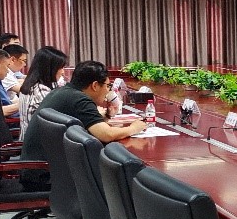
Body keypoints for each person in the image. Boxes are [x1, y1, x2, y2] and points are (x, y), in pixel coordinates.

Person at [20, 60, 146, 190]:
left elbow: (87, 123)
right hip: (47, 177)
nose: (107, 91)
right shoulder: (80, 99)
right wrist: (133, 128)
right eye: (107, 86)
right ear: (95, 85)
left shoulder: (62, 92)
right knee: (120, 176)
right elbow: (106, 135)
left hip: (36, 171)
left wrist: (107, 115)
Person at [18, 46, 68, 140]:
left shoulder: (30, 84)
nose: (63, 72)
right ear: (49, 69)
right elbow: (57, 121)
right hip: (38, 143)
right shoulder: (41, 91)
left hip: (27, 138)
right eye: (60, 68)